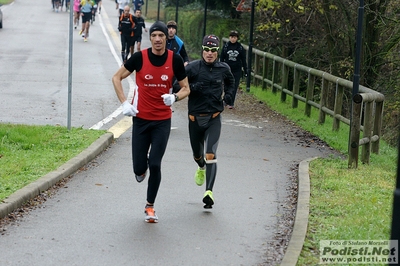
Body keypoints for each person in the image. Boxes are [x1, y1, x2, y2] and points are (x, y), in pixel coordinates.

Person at [112, 21, 190, 223]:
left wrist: (175, 98)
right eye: (154, 35)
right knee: (139, 168)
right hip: (140, 119)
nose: (157, 39)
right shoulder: (139, 57)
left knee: (155, 164)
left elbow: (186, 88)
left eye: (161, 36)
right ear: (151, 38)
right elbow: (116, 77)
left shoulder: (175, 60)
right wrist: (123, 104)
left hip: (162, 121)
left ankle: (150, 206)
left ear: (166, 38)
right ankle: (141, 169)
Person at [173, 34, 235, 209]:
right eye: (207, 50)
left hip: (214, 118)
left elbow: (231, 81)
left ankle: (209, 192)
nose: (209, 53)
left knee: (211, 154)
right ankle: (201, 167)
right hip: (195, 119)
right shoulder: (192, 68)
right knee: (198, 156)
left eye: (213, 50)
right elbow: (176, 86)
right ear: (202, 50)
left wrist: (229, 95)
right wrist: (192, 88)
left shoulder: (223, 68)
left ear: (217, 52)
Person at [220, 30, 248, 109]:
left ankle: (231, 102)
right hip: (227, 69)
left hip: (236, 70)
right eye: (232, 37)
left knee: (234, 86)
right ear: (229, 37)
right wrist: (220, 68)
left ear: (237, 38)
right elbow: (222, 58)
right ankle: (226, 99)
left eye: (235, 37)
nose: (233, 39)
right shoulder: (226, 47)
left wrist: (246, 70)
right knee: (226, 85)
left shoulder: (240, 47)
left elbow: (243, 59)